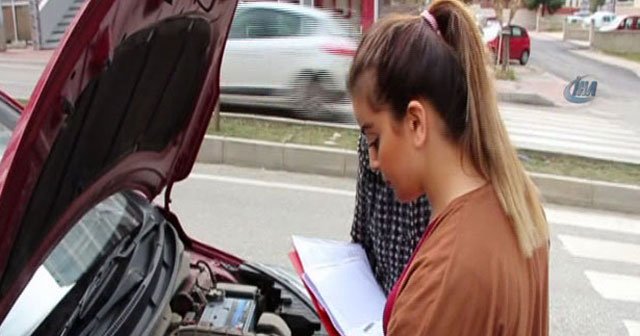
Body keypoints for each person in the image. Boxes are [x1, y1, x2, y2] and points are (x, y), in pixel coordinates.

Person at [347, 0, 550, 334]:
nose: (374, 160)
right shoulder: (519, 204)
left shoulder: (444, 275)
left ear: (415, 122)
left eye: (375, 138)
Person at [351, 135, 431, 295]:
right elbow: (361, 241)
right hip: (381, 306)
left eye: (376, 141)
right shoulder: (370, 146)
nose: (374, 163)